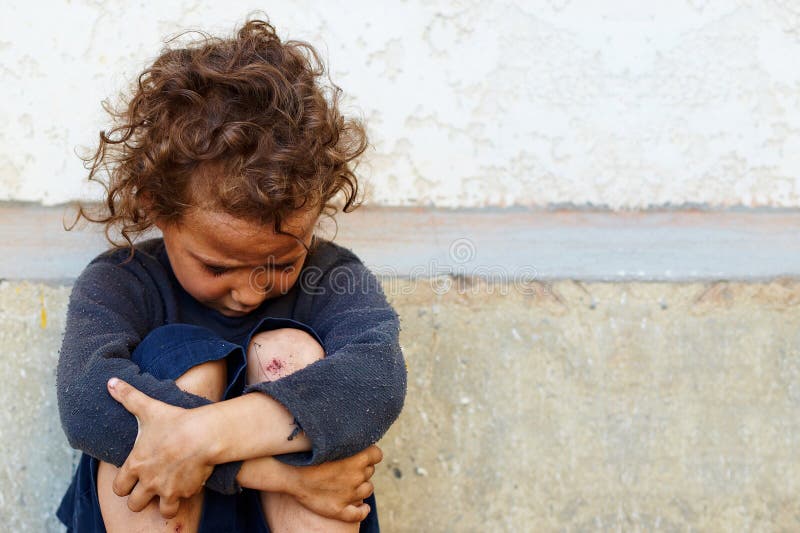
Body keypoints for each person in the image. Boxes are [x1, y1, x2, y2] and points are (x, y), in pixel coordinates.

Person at [55, 16, 407, 533]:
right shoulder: (122, 282)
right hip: (164, 503)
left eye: (282, 263)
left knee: (290, 352)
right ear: (157, 208)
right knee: (183, 361)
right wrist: (274, 473)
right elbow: (86, 403)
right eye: (219, 266)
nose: (250, 291)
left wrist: (204, 438)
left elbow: (376, 382)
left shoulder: (332, 277)